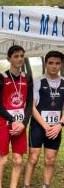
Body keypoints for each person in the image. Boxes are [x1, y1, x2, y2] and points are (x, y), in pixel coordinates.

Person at [23, 50, 64, 188]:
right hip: (38, 126)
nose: (54, 66)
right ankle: (26, 185)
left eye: (57, 63)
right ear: (46, 64)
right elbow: (32, 108)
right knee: (33, 158)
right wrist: (45, 125)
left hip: (56, 128)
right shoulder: (38, 81)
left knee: (50, 160)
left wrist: (60, 124)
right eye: (51, 63)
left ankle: (46, 185)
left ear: (61, 64)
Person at [0, 45, 33, 188]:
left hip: (20, 124)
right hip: (4, 122)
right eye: (16, 56)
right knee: (3, 159)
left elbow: (29, 104)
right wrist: (13, 120)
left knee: (18, 160)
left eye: (22, 56)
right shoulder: (1, 77)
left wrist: (23, 123)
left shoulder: (27, 77)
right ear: (9, 58)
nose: (20, 59)